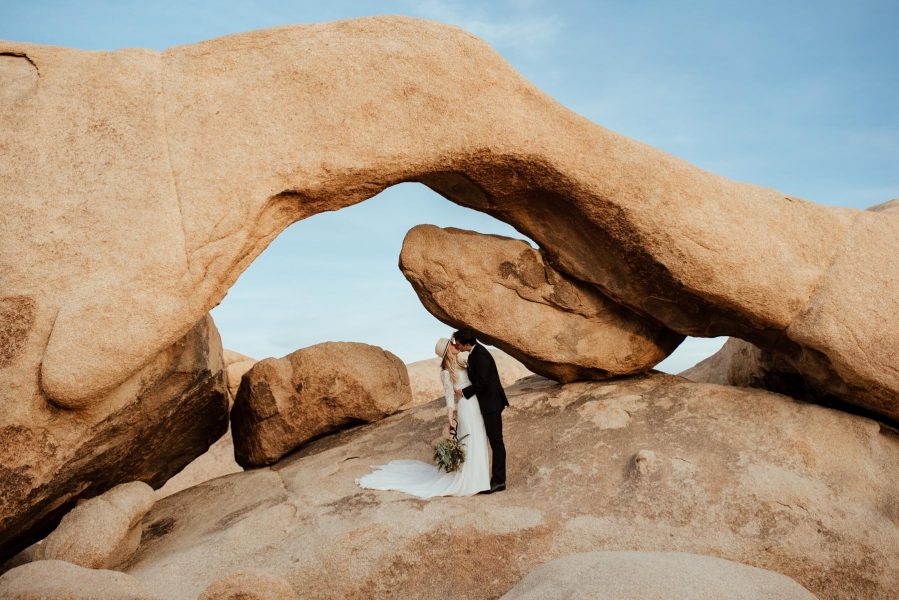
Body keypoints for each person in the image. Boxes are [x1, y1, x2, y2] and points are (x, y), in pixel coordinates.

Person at [355, 337, 490, 497]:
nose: (456, 345)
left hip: (476, 405)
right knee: (470, 440)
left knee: (480, 438)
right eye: (452, 344)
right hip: (466, 408)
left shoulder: (462, 363)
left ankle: (482, 479)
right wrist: (450, 417)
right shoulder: (446, 373)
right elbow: (449, 396)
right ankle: (472, 481)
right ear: (447, 351)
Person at [453, 328, 509, 494]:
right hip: (487, 403)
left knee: (496, 442)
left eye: (459, 343)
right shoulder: (474, 353)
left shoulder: (480, 355)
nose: (457, 345)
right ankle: (492, 479)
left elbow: (482, 383)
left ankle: (499, 481)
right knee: (494, 441)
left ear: (467, 343)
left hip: (492, 404)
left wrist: (463, 392)